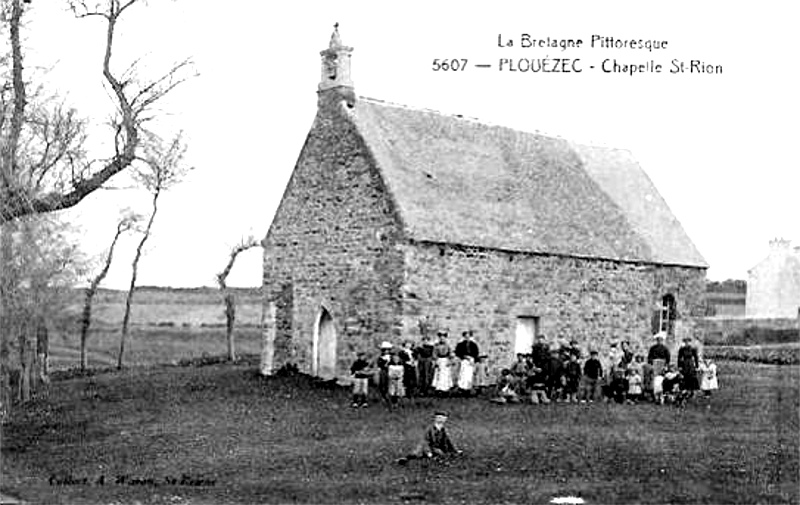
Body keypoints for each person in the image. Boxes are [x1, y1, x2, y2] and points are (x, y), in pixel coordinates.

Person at [397, 411, 462, 465]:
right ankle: (404, 459)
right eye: (439, 417)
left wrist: (456, 450)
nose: (441, 419)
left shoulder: (444, 429)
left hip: (437, 447)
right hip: (427, 447)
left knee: (441, 454)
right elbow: (425, 441)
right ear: (435, 419)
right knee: (416, 454)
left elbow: (449, 441)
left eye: (443, 418)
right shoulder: (430, 429)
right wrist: (428, 452)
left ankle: (434, 458)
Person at [455, 330, 480, 395]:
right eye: (466, 337)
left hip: (471, 361)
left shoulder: (473, 345)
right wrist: (464, 356)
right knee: (463, 374)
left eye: (468, 337)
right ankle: (462, 388)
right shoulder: (460, 344)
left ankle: (468, 388)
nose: (467, 338)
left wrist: (474, 360)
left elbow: (476, 353)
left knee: (469, 375)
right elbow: (457, 352)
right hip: (464, 361)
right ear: (464, 337)